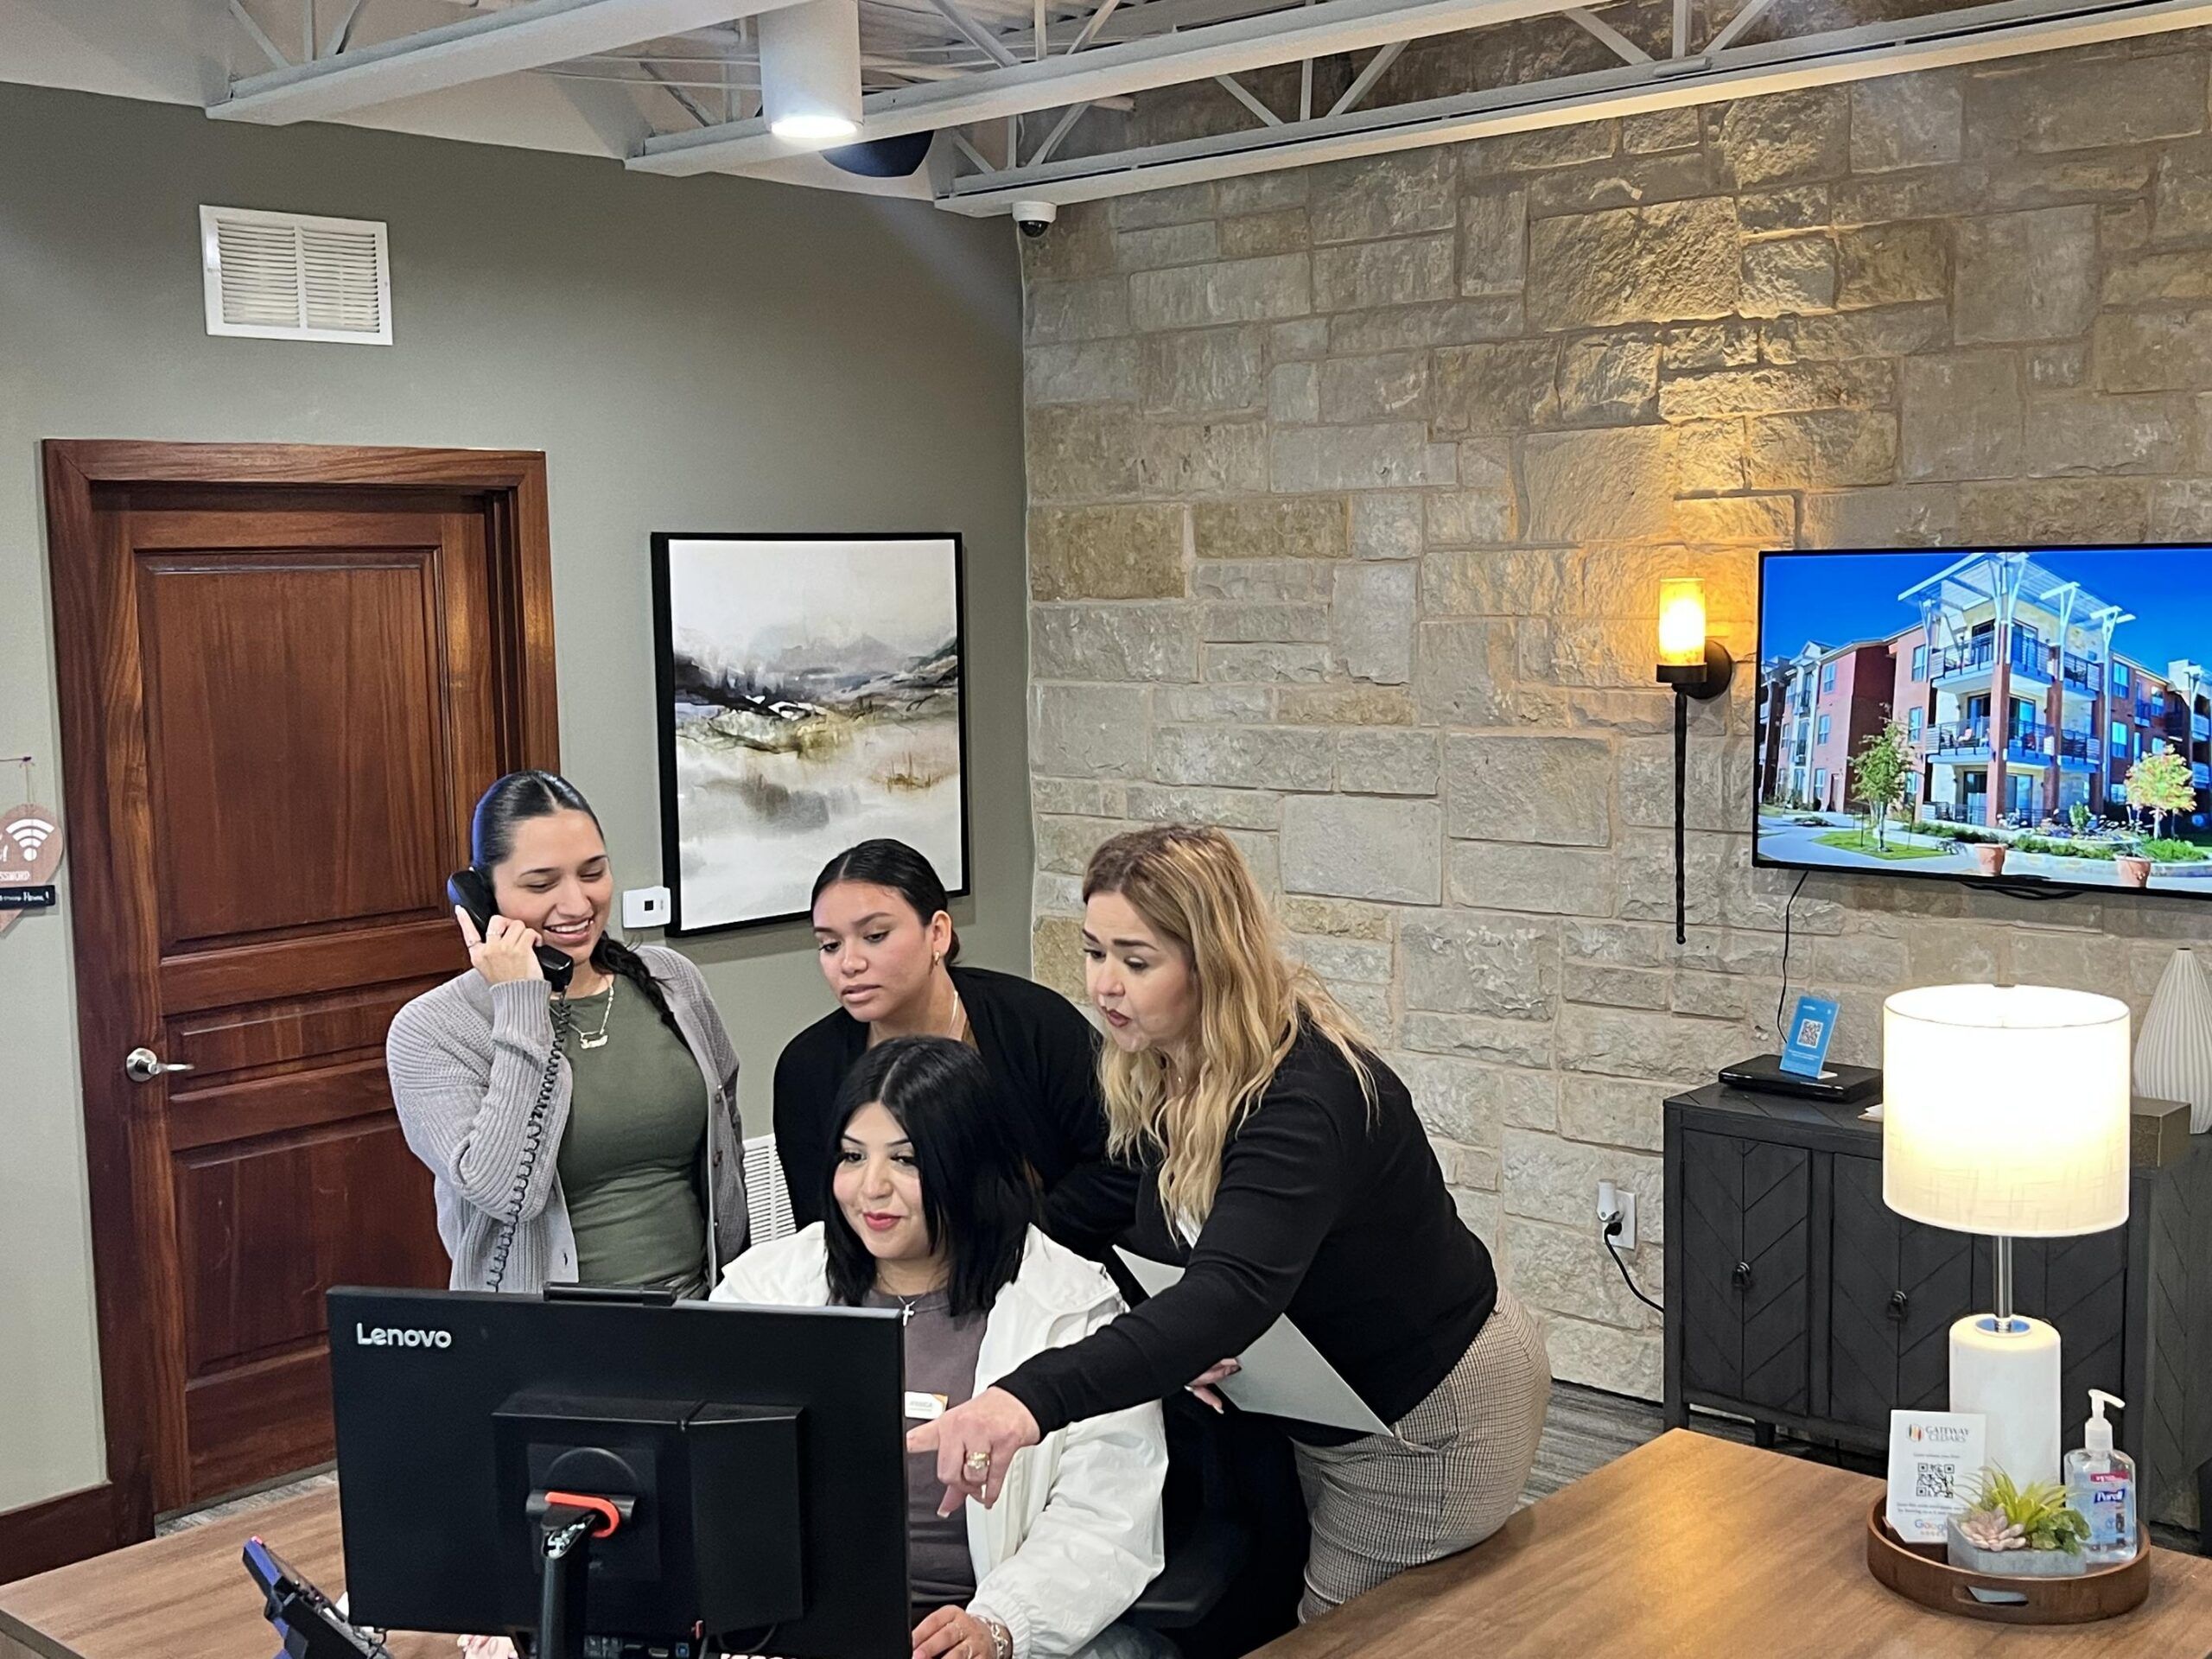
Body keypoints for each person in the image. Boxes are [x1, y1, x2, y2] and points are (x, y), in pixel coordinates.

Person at [909, 825, 1551, 1621]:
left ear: (1212, 963)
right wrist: (1167, 1333)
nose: (1106, 985)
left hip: (1427, 1415)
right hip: (1326, 1401)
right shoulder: (1165, 1059)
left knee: (1344, 1636)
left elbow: (1231, 1289)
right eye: (1094, 952)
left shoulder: (1306, 1096)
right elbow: (1165, 1237)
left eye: (1136, 961)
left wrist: (1023, 1402)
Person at [721, 1036, 1168, 1659]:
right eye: (852, 1157)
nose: (870, 1187)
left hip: (991, 1621)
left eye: (905, 1161)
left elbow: (1105, 1520)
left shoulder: (1070, 1305)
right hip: (805, 1625)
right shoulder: (762, 1290)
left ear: (968, 1165)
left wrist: (1000, 1624)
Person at [387, 771, 745, 1297]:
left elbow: (726, 1139)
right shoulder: (433, 1029)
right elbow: (506, 1192)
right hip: (551, 1346)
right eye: (541, 884)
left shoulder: (672, 980)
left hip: (702, 1315)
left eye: (593, 873)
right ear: (481, 898)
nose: (577, 905)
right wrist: (521, 1004)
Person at [775, 840, 1137, 1260]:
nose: (849, 963)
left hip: (1042, 1266)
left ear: (938, 933)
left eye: (875, 936)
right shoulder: (807, 1068)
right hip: (886, 1289)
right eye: (830, 945)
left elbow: (1122, 1165)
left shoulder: (1031, 1022)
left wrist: (1016, 1244)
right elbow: (823, 1226)